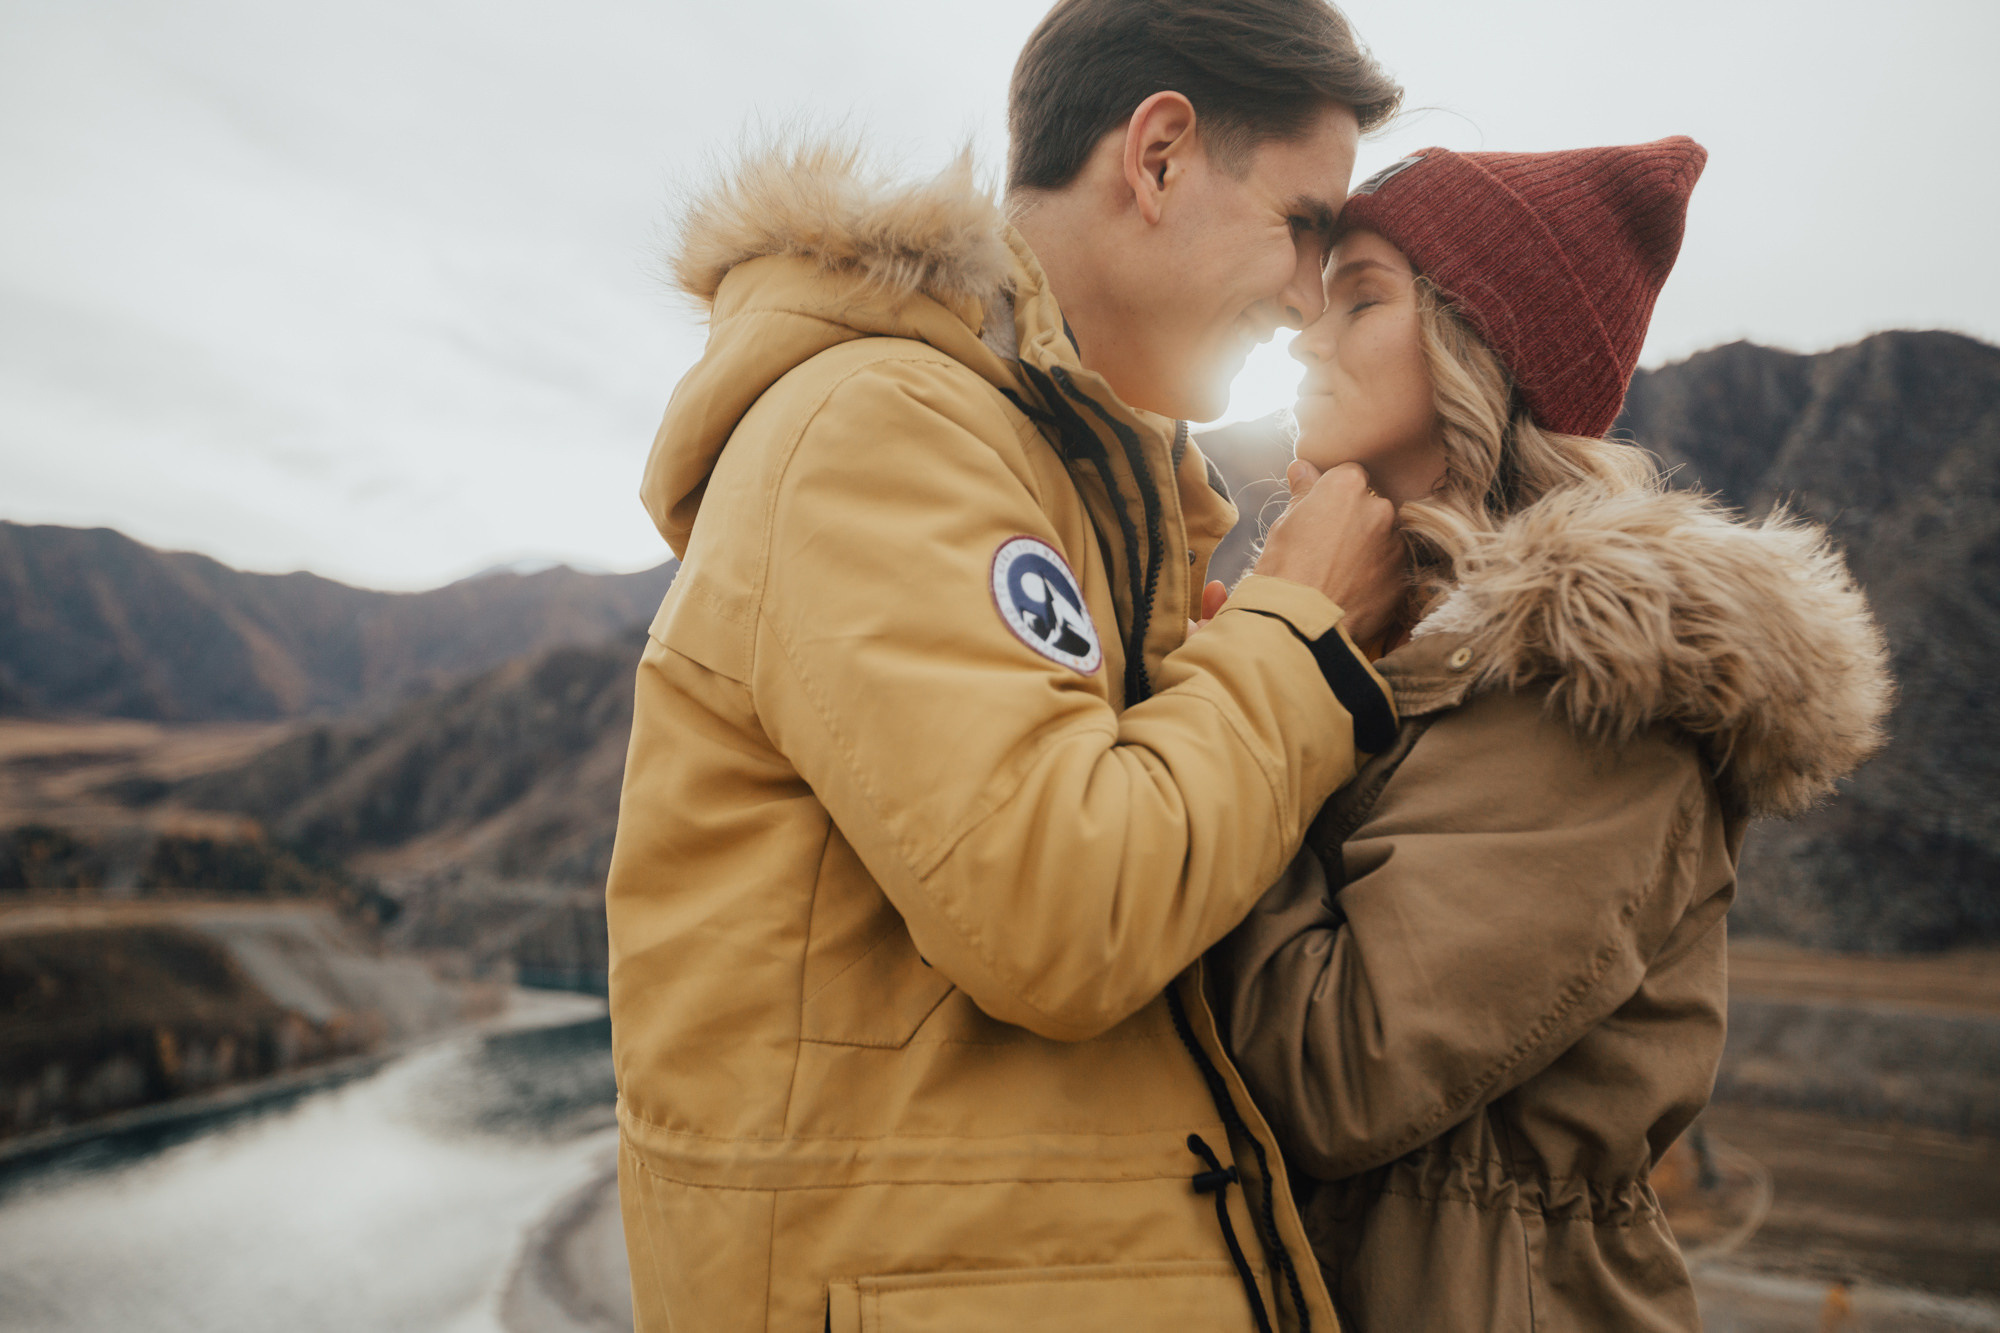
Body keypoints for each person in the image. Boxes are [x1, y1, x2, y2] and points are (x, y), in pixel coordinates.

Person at [606, 2, 1410, 1328]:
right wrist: (1296, 635)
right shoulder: (878, 430)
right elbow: (1063, 909)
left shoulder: (1069, 480)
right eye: (1303, 222)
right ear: (1157, 155)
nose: (1306, 294)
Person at [1207, 138, 1895, 1331]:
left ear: (1479, 349)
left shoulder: (1587, 685)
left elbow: (1332, 1072)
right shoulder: (1389, 641)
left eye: (1359, 299)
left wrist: (1259, 678)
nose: (1304, 337)